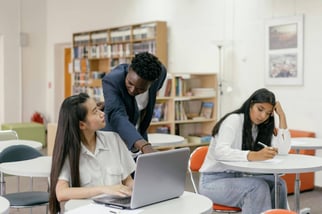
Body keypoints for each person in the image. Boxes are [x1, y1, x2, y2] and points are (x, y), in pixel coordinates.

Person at [199, 88, 291, 214]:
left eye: (268, 113)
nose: (263, 116)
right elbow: (220, 151)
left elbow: (284, 151)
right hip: (213, 181)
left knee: (279, 184)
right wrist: (253, 155)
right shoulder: (234, 120)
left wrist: (282, 116)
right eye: (260, 109)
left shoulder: (260, 128)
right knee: (257, 188)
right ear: (251, 104)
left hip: (241, 177)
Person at [49, 93, 136, 214]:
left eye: (98, 108)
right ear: (81, 124)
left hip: (118, 210)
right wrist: (105, 190)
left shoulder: (114, 139)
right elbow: (61, 193)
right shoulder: (69, 152)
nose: (102, 114)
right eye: (95, 112)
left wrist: (138, 190)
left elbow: (127, 181)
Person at [101, 52, 167, 154]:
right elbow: (117, 115)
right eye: (130, 83)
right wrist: (144, 145)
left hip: (139, 133)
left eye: (141, 89)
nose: (132, 90)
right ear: (129, 69)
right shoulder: (112, 80)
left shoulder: (159, 73)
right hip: (115, 135)